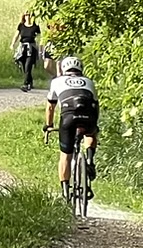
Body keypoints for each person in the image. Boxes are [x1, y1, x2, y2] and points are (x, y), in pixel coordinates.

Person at [43, 55, 99, 199]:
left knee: (65, 156)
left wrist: (48, 126)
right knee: (91, 134)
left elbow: (50, 107)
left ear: (63, 68)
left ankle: (65, 191)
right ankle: (90, 160)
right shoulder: (89, 82)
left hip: (68, 118)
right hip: (89, 116)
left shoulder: (56, 81)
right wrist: (94, 126)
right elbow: (95, 106)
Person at [12, 12, 43, 90]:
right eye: (26, 15)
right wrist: (12, 44)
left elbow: (40, 38)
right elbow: (17, 35)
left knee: (28, 66)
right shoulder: (21, 26)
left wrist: (40, 48)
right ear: (24, 16)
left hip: (31, 48)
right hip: (22, 48)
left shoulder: (35, 27)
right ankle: (30, 81)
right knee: (23, 66)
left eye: (30, 15)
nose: (28, 17)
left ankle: (25, 84)